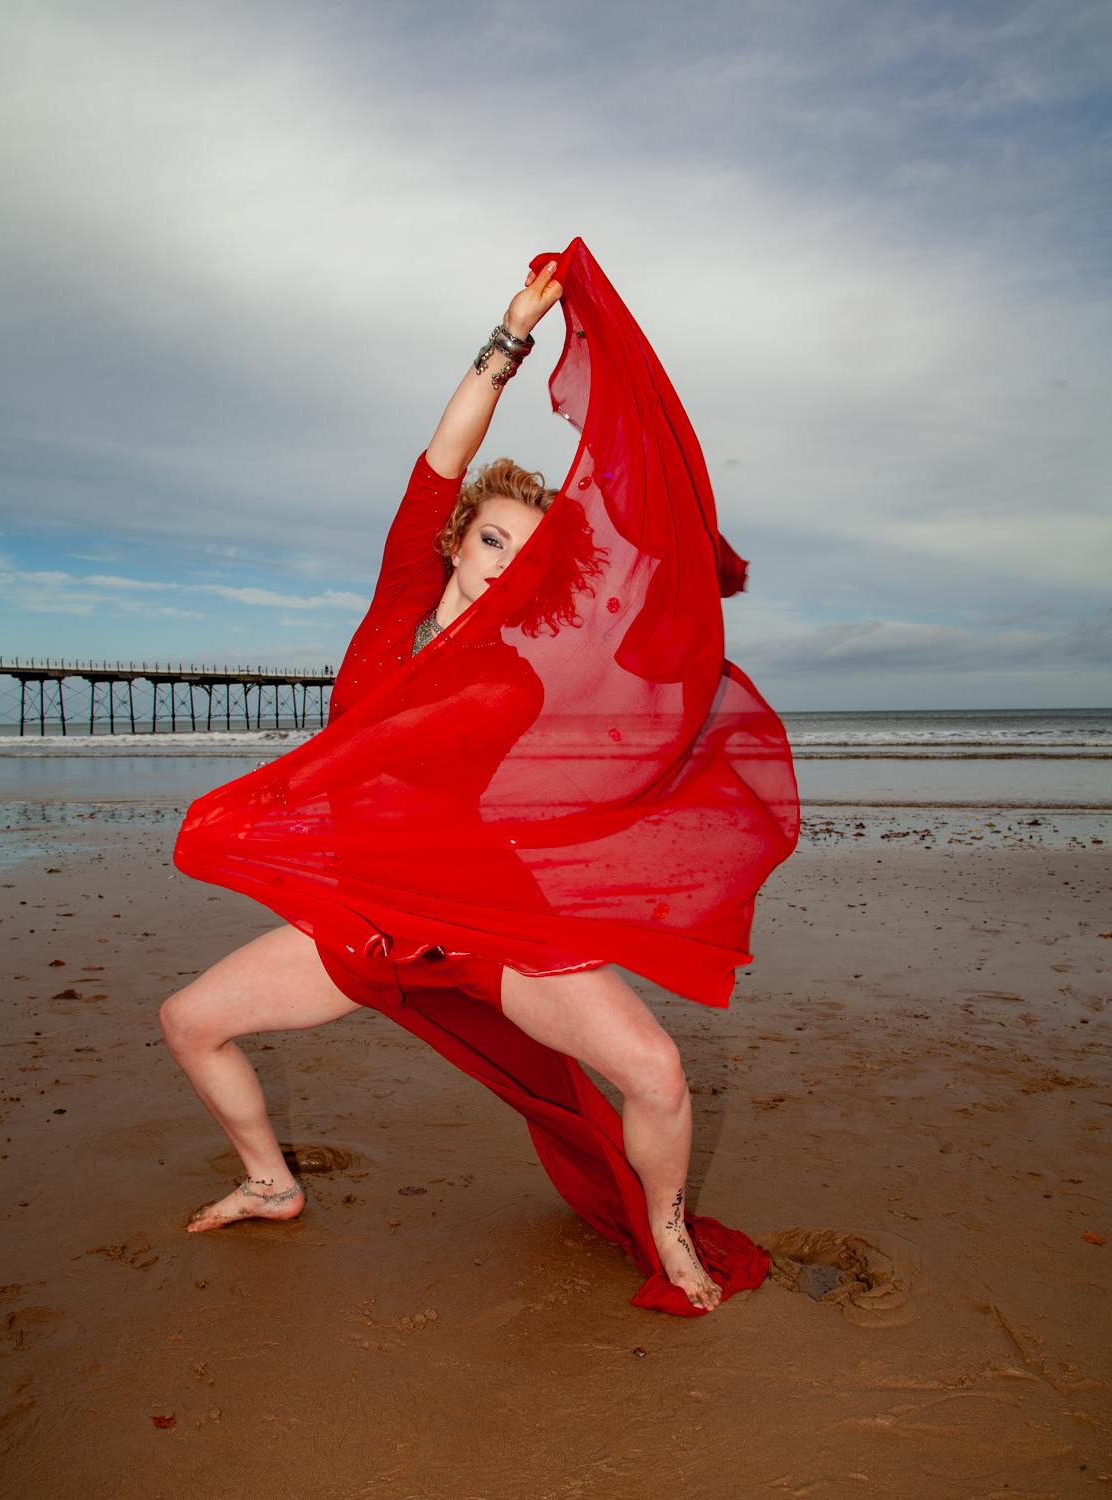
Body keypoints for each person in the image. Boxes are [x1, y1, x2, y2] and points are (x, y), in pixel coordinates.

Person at [164, 241, 797, 1317]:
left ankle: (671, 1234)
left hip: (485, 914)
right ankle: (271, 1181)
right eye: (495, 538)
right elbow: (441, 461)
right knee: (191, 1018)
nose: (508, 559)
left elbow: (631, 665)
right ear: (459, 544)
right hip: (360, 910)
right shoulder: (400, 603)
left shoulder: (532, 666)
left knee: (653, 1069)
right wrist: (512, 341)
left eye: (531, 552)